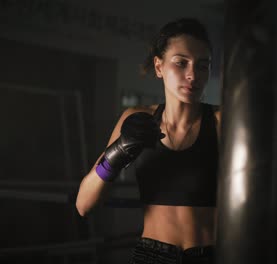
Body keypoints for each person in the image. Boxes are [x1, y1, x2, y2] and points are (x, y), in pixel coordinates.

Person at [75, 17, 221, 264]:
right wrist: (118, 152)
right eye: (181, 63)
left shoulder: (220, 121)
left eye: (202, 65)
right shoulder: (136, 119)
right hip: (151, 256)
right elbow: (83, 204)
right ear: (158, 66)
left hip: (209, 255)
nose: (192, 74)